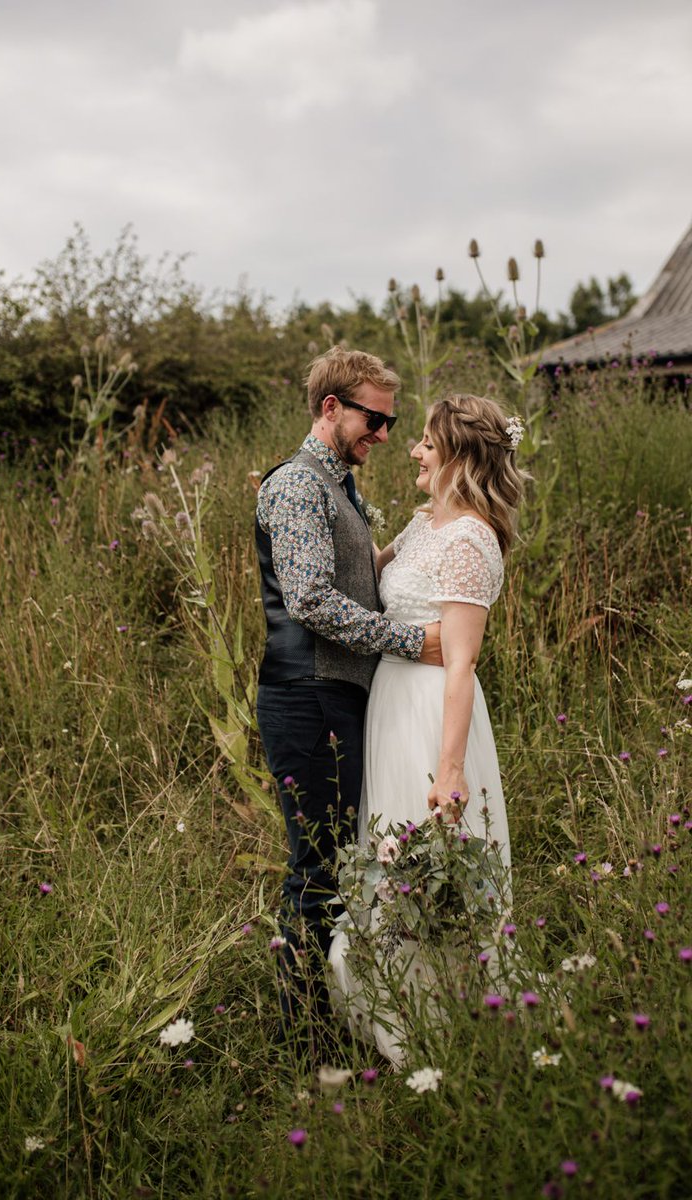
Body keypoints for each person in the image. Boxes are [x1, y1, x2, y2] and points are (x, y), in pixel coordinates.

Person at [328, 392, 529, 1067]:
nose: (412, 450)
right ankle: (398, 1020)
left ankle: (443, 1033)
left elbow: (463, 661)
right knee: (392, 862)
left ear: (458, 454)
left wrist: (449, 770)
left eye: (424, 441)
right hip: (390, 702)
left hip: (431, 715)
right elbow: (363, 584)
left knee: (424, 871)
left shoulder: (471, 537)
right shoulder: (424, 526)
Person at [254, 346, 442, 1050]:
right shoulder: (299, 486)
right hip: (307, 697)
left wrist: (415, 546)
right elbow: (307, 598)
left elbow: (344, 572)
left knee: (336, 861)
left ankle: (330, 1020)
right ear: (331, 407)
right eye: (376, 419)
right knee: (316, 869)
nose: (386, 435)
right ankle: (301, 1040)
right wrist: (408, 640)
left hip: (333, 695)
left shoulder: (337, 486)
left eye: (391, 422)